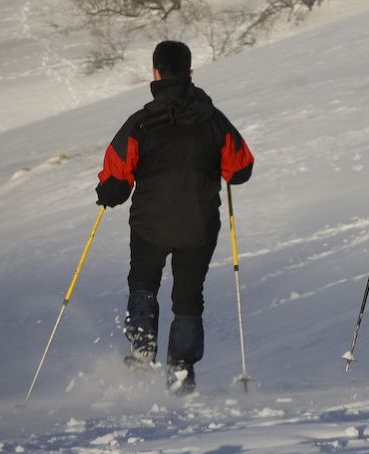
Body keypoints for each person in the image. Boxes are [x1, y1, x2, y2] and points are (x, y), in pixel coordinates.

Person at [95, 41, 255, 394]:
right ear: (190, 72)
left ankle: (141, 350)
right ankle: (181, 369)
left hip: (150, 225)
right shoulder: (213, 120)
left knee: (143, 283)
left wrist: (105, 193)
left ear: (155, 74)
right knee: (187, 296)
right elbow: (241, 167)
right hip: (198, 226)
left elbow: (117, 181)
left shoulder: (140, 123)